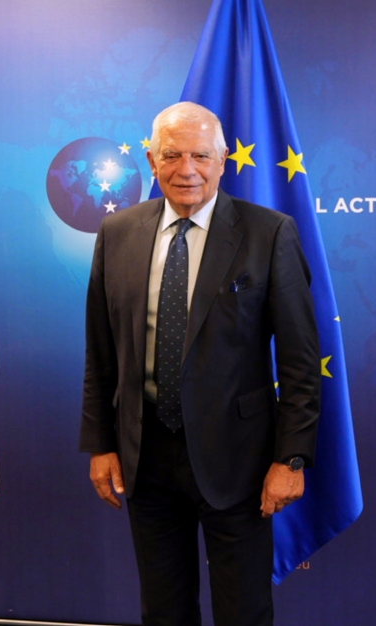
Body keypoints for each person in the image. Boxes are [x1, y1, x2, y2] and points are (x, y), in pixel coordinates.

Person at [80, 101, 320, 626]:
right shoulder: (117, 232)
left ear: (222, 161)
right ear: (151, 159)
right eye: (171, 155)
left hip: (240, 460)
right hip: (146, 457)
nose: (186, 169)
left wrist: (292, 459)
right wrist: (100, 443)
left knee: (244, 612)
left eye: (200, 156)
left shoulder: (268, 233)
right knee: (163, 611)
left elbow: (301, 362)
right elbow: (101, 352)